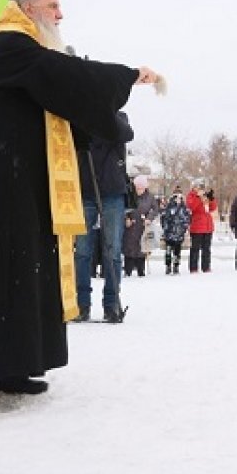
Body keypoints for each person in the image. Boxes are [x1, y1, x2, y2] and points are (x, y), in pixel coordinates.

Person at [0, 0, 157, 422]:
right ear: (28, 9)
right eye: (54, 6)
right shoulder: (9, 45)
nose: (61, 14)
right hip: (3, 177)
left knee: (22, 269)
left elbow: (61, 97)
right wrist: (125, 75)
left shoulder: (26, 49)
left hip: (28, 178)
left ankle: (6, 364)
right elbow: (65, 77)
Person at [74, 114, 133, 322]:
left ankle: (111, 303)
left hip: (112, 192)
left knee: (112, 249)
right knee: (82, 250)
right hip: (85, 188)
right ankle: (81, 303)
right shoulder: (81, 116)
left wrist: (103, 110)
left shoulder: (117, 117)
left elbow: (127, 133)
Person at [123, 175, 159, 277]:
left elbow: (155, 209)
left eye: (140, 188)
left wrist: (149, 218)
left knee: (141, 248)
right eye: (137, 188)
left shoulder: (150, 197)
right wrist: (126, 218)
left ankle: (141, 270)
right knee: (129, 247)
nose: (138, 190)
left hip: (143, 226)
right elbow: (124, 208)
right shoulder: (130, 196)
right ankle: (127, 270)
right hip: (130, 226)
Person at [186, 181, 218, 273]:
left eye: (201, 188)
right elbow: (192, 207)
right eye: (198, 187)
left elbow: (212, 208)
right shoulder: (191, 196)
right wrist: (199, 198)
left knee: (206, 249)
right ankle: (193, 268)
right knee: (195, 248)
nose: (200, 190)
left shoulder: (206, 196)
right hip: (197, 227)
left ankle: (206, 267)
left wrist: (211, 199)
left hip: (208, 226)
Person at [160, 191, 191, 274]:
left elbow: (187, 219)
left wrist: (184, 228)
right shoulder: (169, 208)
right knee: (168, 251)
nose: (178, 199)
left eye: (180, 198)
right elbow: (164, 219)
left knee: (177, 252)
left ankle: (176, 266)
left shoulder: (184, 208)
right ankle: (168, 266)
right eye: (177, 197)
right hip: (169, 234)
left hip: (179, 234)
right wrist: (166, 228)